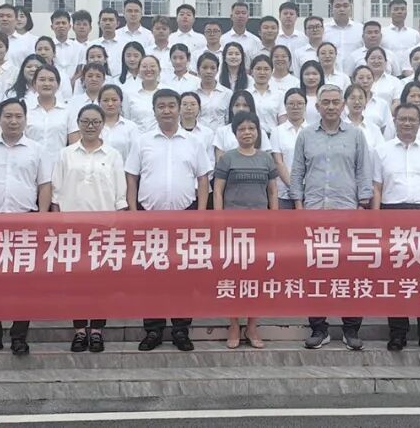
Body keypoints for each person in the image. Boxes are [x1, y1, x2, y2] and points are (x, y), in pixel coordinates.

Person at [126, 89, 212, 352]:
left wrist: (201, 215)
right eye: (161, 106)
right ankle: (153, 329)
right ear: (154, 110)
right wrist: (133, 212)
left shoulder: (194, 142)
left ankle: (180, 329)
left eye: (171, 105)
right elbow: (132, 177)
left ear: (179, 109)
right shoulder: (142, 141)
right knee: (151, 276)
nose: (166, 110)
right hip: (149, 217)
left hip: (185, 216)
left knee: (183, 276)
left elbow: (203, 180)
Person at [290, 83, 373, 350]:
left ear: (343, 105)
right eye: (325, 102)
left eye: (336, 102)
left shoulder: (356, 135)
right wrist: (299, 206)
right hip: (314, 213)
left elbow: (363, 171)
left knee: (351, 272)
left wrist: (362, 206)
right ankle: (319, 328)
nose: (331, 106)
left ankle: (351, 328)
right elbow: (297, 172)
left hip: (347, 213)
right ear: (317, 106)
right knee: (316, 273)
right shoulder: (305, 135)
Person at [0, 98, 52, 356]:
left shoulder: (37, 150)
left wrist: (42, 217)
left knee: (23, 284)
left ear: (26, 119)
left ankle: (19, 336)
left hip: (25, 223)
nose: (13, 121)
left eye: (18, 116)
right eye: (8, 116)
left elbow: (44, 185)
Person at [373, 103, 420, 353]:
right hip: (392, 213)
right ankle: (398, 333)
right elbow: (377, 188)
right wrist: (376, 221)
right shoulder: (381, 151)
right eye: (402, 119)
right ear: (394, 121)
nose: (407, 123)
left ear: (419, 122)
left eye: (412, 119)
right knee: (396, 278)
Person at [53, 104, 126, 353]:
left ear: (103, 124)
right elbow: (56, 193)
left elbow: (120, 196)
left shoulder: (113, 155)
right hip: (72, 228)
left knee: (100, 282)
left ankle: (96, 330)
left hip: (103, 227)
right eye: (85, 121)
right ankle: (79, 330)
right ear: (78, 123)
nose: (90, 126)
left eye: (95, 121)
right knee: (76, 282)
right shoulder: (66, 154)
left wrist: (117, 227)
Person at [214, 111, 278, 349]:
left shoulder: (266, 159)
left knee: (257, 278)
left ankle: (252, 325)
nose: (247, 133)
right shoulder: (227, 159)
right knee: (232, 277)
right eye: (242, 129)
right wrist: (219, 221)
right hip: (233, 229)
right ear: (235, 133)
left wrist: (274, 221)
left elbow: (273, 191)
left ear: (258, 132)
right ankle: (233, 324)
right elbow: (218, 191)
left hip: (260, 229)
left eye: (251, 128)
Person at [271, 88, 308, 209]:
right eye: (291, 103)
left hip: (309, 191)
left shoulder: (313, 131)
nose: (295, 107)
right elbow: (278, 162)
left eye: (299, 103)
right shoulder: (277, 131)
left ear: (305, 105)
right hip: (283, 192)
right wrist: (294, 188)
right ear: (285, 106)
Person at [25, 65, 71, 157]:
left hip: (58, 162)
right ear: (34, 84)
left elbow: (73, 144)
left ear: (58, 84)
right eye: (42, 80)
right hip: (30, 161)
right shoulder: (25, 110)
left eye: (51, 80)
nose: (46, 84)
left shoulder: (68, 111)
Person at [122, 56, 166, 132]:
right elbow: (126, 119)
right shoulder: (128, 93)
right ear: (138, 71)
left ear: (159, 70)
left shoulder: (168, 91)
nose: (148, 69)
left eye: (152, 66)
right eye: (144, 66)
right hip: (136, 136)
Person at [247, 55, 284, 134]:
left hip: (273, 135)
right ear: (252, 71)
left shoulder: (279, 95)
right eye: (258, 69)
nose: (262, 72)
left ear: (272, 71)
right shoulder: (245, 94)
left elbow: (283, 122)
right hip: (250, 135)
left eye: (266, 69)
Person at [49, 9, 84, 94]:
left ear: (69, 26)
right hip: (51, 86)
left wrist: (70, 83)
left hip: (74, 88)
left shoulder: (79, 47)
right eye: (57, 23)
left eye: (64, 23)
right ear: (52, 27)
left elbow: (80, 71)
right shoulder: (48, 47)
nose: (61, 26)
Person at [195, 52, 232, 131]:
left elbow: (228, 119)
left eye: (212, 68)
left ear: (217, 70)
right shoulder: (192, 93)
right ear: (198, 70)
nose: (209, 71)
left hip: (220, 135)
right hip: (198, 134)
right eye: (205, 68)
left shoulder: (227, 93)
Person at [343, 84, 386, 150]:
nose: (357, 102)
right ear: (345, 102)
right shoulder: (340, 127)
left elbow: (381, 151)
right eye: (352, 98)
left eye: (360, 98)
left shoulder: (374, 129)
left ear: (366, 101)